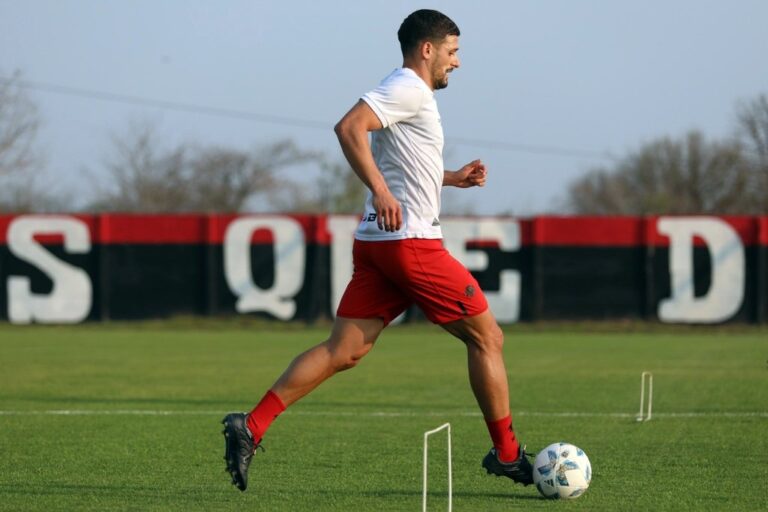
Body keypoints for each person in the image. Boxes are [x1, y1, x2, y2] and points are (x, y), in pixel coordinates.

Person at [222, 8, 533, 492]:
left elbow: (401, 160)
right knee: (487, 338)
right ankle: (508, 455)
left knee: (342, 350)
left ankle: (252, 425)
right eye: (453, 52)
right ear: (427, 50)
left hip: (378, 243)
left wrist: (451, 178)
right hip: (411, 243)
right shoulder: (408, 86)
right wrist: (382, 193)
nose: (457, 62)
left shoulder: (408, 94)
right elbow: (349, 128)